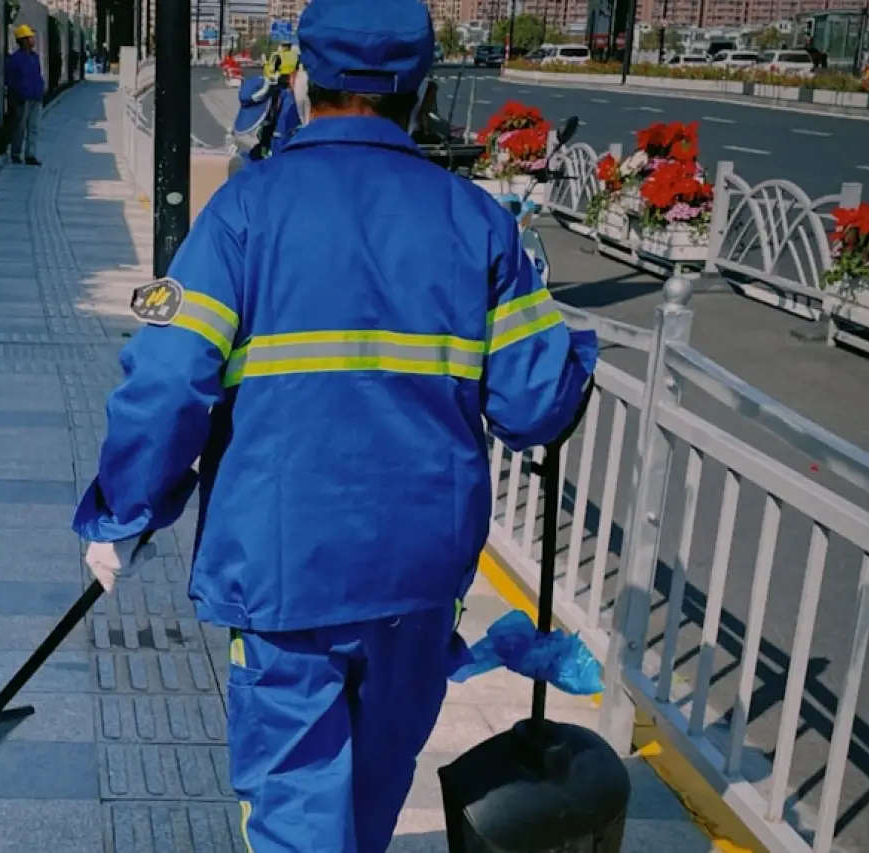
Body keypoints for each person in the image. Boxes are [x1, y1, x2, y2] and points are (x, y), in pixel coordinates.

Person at [71, 0, 598, 849]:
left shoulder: (246, 213)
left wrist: (124, 512)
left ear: (305, 79)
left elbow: (170, 379)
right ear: (421, 89)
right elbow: (538, 407)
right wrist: (582, 347)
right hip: (421, 577)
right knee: (367, 805)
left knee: (296, 810)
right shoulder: (478, 222)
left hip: (286, 574)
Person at [6, 24, 45, 165]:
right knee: (19, 127)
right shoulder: (15, 59)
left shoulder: (34, 57)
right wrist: (16, 96)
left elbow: (37, 75)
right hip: (22, 99)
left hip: (35, 97)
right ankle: (16, 154)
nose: (32, 40)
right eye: (30, 37)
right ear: (23, 40)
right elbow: (10, 80)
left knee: (34, 128)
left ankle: (31, 155)